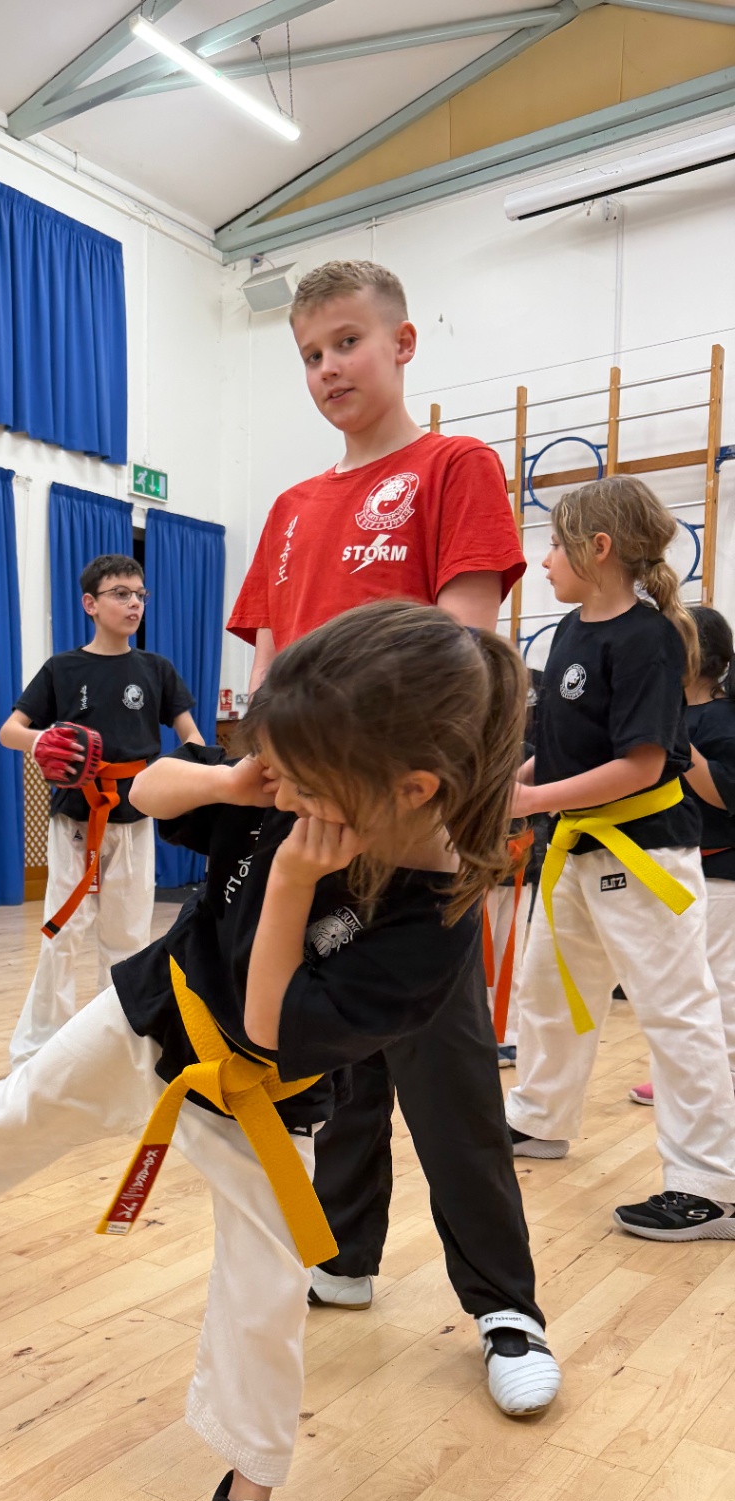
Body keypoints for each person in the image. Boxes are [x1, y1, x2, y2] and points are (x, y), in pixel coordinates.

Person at [0, 602, 534, 1501]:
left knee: (265, 1296)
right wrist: (232, 783)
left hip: (262, 1101)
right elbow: (142, 789)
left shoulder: (432, 925)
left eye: (295, 775)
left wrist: (287, 886)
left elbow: (272, 1039)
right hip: (154, 1010)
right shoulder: (301, 784)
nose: (281, 789)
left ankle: (250, 1499)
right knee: (23, 1109)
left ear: (411, 790)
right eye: (271, 766)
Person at [225, 258, 555, 1411]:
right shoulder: (289, 509)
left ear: (403, 343)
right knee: (331, 1047)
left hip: (412, 826)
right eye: (310, 353)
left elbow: (461, 650)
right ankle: (348, 1252)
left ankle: (505, 1305)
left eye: (348, 343)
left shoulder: (450, 468)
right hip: (306, 816)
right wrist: (256, 772)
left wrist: (381, 785)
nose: (328, 369)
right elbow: (268, 669)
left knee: (443, 1067)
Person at [505, 481, 735, 1240]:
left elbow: (641, 764)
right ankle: (540, 1116)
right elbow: (568, 745)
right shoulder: (570, 631)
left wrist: (532, 805)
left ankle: (713, 1185)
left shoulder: (652, 637)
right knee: (545, 990)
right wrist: (516, 784)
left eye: (556, 544)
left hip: (645, 853)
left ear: (598, 549)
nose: (544, 560)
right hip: (574, 845)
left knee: (676, 1014)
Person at [1, 554, 200, 1066]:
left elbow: (192, 739)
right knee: (61, 934)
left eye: (140, 594)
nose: (133, 602)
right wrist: (47, 740)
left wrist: (197, 777)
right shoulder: (63, 669)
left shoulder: (155, 669)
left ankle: (115, 1047)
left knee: (129, 939)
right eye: (120, 593)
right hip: (76, 818)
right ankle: (39, 1051)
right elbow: (10, 731)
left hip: (135, 818)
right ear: (90, 603)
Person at [630, 605, 735, 1107]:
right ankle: (685, 1076)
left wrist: (678, 738)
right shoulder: (665, 709)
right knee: (675, 987)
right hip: (669, 867)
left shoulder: (723, 719)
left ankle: (727, 1076)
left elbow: (722, 794)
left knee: (721, 985)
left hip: (720, 873)